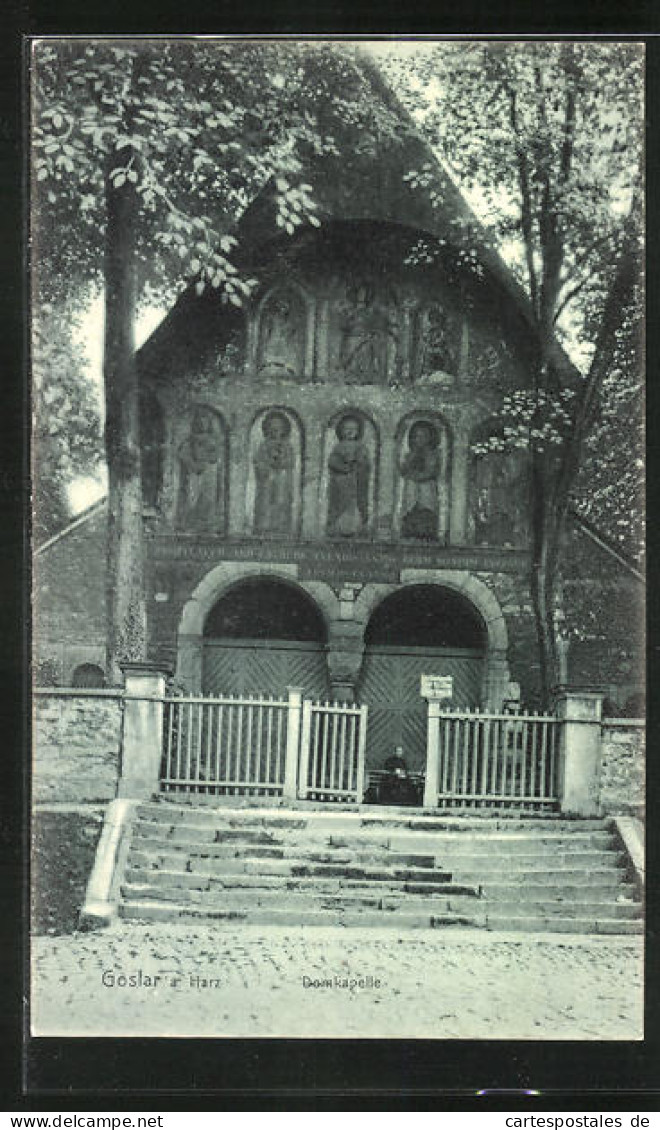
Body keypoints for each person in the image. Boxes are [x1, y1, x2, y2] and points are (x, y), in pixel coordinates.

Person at [176, 405, 224, 532]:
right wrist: (193, 464)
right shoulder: (190, 440)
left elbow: (217, 456)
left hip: (209, 473)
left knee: (209, 498)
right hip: (194, 474)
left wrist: (211, 458)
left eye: (206, 421)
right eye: (200, 420)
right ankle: (190, 523)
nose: (203, 424)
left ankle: (207, 522)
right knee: (192, 497)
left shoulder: (213, 439)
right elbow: (182, 453)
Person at [326, 414, 371, 537]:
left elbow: (364, 464)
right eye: (346, 428)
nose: (350, 431)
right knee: (340, 505)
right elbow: (332, 462)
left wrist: (357, 463)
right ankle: (338, 528)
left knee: (354, 504)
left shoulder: (361, 447)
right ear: (341, 430)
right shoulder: (338, 447)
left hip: (355, 483)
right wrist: (344, 467)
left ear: (358, 431)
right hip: (340, 483)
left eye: (354, 429)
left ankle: (354, 528)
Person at [253, 410, 294, 534]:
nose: (275, 430)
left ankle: (281, 526)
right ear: (267, 429)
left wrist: (281, 462)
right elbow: (258, 461)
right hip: (267, 479)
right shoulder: (264, 445)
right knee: (265, 501)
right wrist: (267, 464)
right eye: (272, 427)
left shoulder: (287, 445)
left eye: (278, 427)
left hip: (282, 478)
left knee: (281, 501)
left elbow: (290, 461)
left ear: (284, 429)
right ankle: (263, 526)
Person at [399, 420, 440, 540]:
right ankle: (410, 530)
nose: (420, 440)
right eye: (417, 436)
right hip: (412, 488)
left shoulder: (433, 455)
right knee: (411, 509)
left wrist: (418, 476)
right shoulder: (410, 455)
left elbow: (431, 471)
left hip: (427, 487)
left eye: (424, 436)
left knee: (426, 510)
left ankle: (427, 532)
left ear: (430, 438)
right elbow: (403, 469)